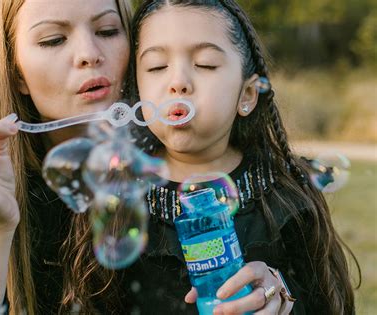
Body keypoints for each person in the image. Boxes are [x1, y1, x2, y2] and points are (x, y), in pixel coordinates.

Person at [120, 0, 360, 314]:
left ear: (246, 95)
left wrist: (281, 300)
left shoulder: (285, 193)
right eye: (156, 67)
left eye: (205, 64)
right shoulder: (121, 195)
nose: (177, 82)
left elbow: (328, 305)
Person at [0, 0, 133, 314]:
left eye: (107, 31)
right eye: (53, 39)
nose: (89, 53)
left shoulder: (180, 173)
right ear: (16, 73)